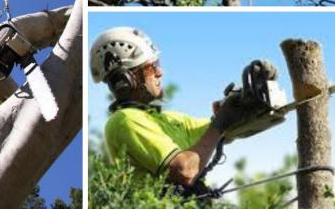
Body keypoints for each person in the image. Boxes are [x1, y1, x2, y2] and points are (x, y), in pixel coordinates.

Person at [90, 27, 275, 198]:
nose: (159, 72)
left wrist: (253, 95)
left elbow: (226, 130)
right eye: (151, 67)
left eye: (157, 64)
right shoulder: (124, 120)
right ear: (125, 79)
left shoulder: (170, 120)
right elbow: (184, 171)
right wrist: (220, 123)